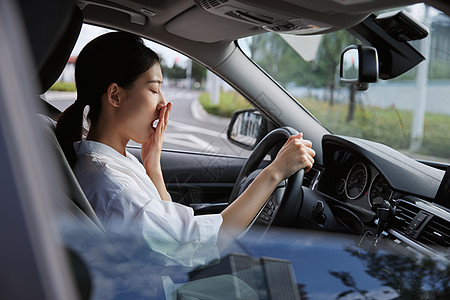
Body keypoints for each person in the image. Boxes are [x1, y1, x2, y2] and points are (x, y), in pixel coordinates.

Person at [56, 32, 315, 268]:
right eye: (154, 89)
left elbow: (166, 229)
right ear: (115, 96)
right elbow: (203, 243)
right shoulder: (113, 187)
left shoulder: (108, 162)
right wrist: (275, 172)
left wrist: (153, 168)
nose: (162, 103)